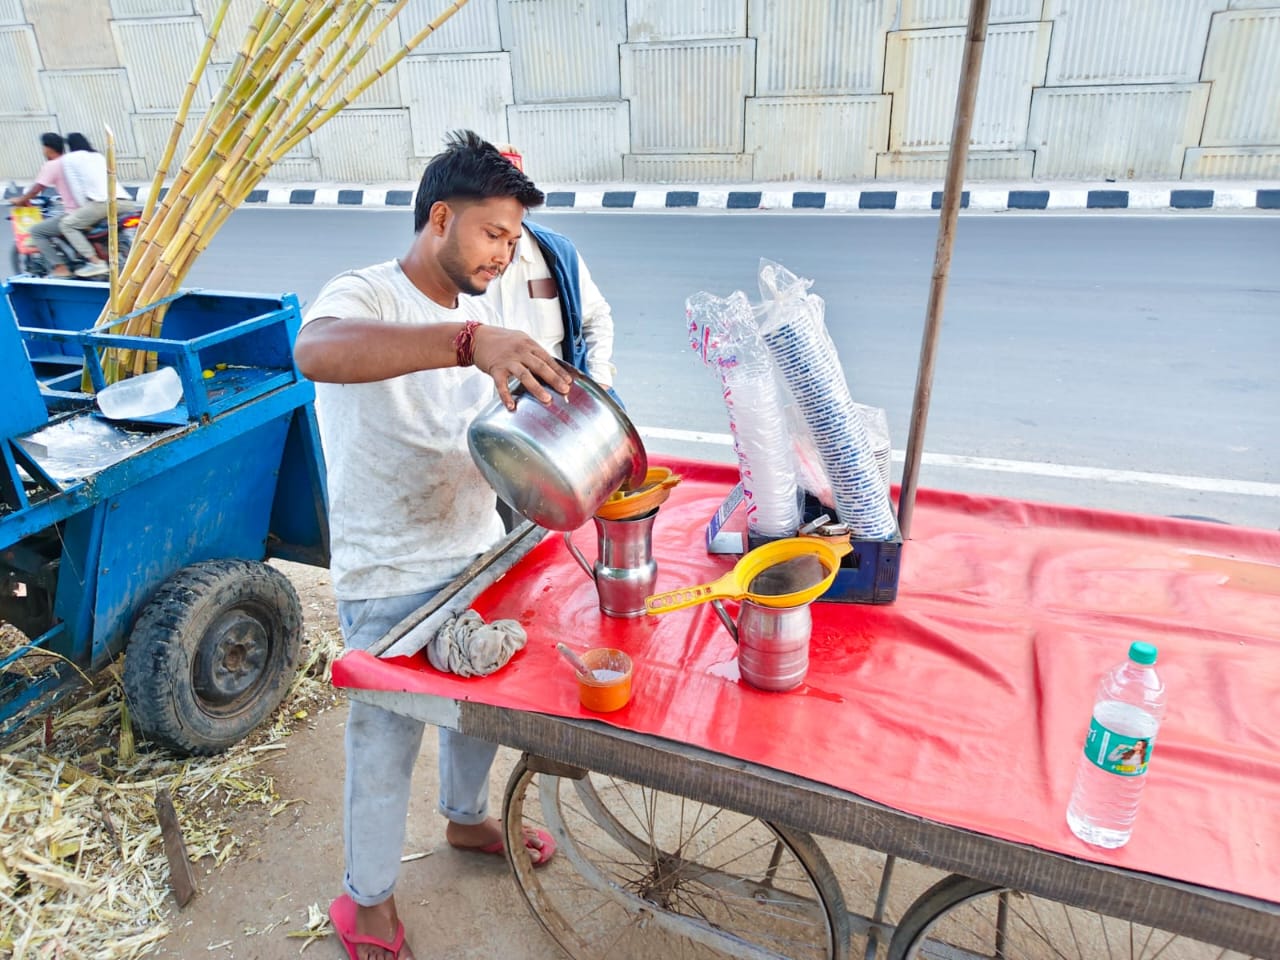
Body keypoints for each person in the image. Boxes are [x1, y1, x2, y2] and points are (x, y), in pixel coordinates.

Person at [293, 130, 571, 960]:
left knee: (478, 703)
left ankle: (464, 819)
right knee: (385, 741)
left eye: (514, 241)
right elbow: (314, 353)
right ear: (441, 217)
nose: (503, 254)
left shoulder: (484, 311)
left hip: (473, 550)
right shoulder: (367, 295)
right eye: (493, 234)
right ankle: (365, 900)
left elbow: (488, 430)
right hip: (387, 569)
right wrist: (463, 345)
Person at [484, 145, 616, 390]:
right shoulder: (453, 268)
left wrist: (598, 383)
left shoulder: (557, 254)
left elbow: (596, 316)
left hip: (549, 410)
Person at [9, 132, 79, 279]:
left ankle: (60, 267)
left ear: (48, 148)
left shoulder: (53, 164)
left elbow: (37, 188)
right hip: (89, 207)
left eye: (43, 147)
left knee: (37, 231)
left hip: (74, 212)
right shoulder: (71, 161)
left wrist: (21, 200)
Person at [58, 132, 127, 278]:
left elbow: (76, 188)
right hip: (125, 201)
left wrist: (82, 210)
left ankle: (95, 262)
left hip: (102, 203)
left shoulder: (69, 159)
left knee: (67, 225)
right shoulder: (98, 156)